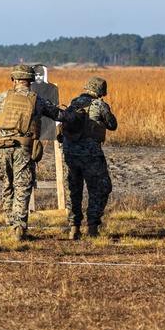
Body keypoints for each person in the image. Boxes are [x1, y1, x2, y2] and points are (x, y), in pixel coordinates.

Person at [0, 65, 64, 240]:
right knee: (22, 186)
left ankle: (10, 221)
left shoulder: (1, 98)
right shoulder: (39, 101)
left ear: (14, 80)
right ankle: (19, 228)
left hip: (2, 148)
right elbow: (60, 116)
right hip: (23, 148)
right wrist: (76, 115)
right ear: (31, 81)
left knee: (7, 184)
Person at [62, 77, 118, 239]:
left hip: (70, 154)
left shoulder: (73, 103)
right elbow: (112, 125)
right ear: (101, 92)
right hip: (91, 155)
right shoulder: (99, 105)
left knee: (73, 189)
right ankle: (92, 227)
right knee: (100, 188)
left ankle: (74, 228)